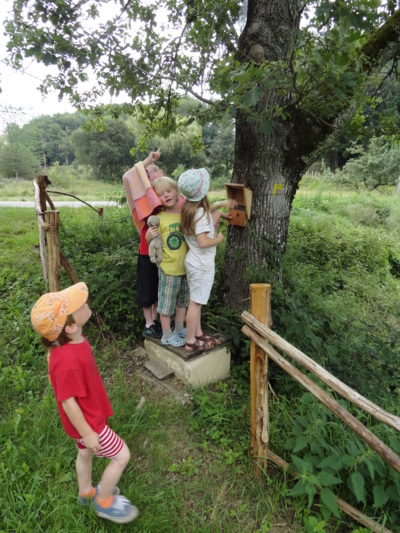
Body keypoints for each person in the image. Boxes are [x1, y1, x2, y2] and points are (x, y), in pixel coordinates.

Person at [30, 282, 138, 524]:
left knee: (84, 454)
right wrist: (88, 433)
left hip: (87, 416)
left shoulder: (73, 340)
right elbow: (67, 402)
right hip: (90, 423)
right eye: (79, 305)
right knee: (121, 456)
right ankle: (104, 501)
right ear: (69, 326)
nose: (84, 303)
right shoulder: (65, 359)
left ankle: (86, 492)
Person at [178, 168, 229, 353]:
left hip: (194, 262)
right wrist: (219, 239)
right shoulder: (200, 214)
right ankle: (191, 342)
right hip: (201, 265)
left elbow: (208, 213)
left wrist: (221, 209)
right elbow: (203, 241)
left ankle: (197, 333)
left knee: (196, 300)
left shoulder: (189, 208)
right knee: (196, 303)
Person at [123, 149, 165, 339]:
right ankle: (148, 323)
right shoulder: (145, 198)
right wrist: (148, 160)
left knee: (157, 289)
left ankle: (156, 322)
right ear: (147, 177)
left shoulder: (163, 195)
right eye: (156, 170)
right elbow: (128, 176)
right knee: (147, 288)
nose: (161, 172)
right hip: (146, 251)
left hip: (163, 253)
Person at [146, 177, 189, 347]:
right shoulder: (158, 218)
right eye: (161, 194)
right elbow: (149, 238)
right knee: (166, 304)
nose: (166, 195)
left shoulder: (185, 215)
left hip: (185, 268)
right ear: (158, 199)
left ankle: (179, 328)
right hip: (168, 268)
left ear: (177, 193)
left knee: (182, 301)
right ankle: (166, 334)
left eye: (169, 191)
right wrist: (150, 233)